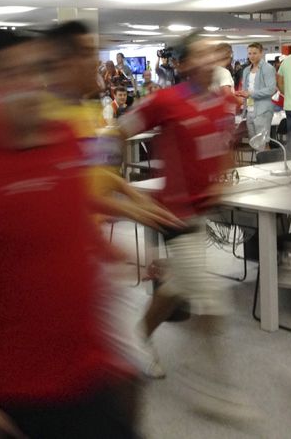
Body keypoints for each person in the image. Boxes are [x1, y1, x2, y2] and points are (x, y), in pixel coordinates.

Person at [0, 34, 140, 439]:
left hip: (87, 362)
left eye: (34, 70)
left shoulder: (62, 137)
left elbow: (75, 210)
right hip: (15, 388)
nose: (26, 83)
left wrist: (108, 249)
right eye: (13, 73)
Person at [119, 35, 251, 423]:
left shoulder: (221, 103)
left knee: (175, 288)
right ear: (183, 64)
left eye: (215, 52)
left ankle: (132, 340)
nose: (211, 58)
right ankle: (216, 391)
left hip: (200, 211)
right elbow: (119, 131)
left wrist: (222, 175)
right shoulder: (166, 101)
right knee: (212, 303)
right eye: (201, 52)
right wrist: (118, 186)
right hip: (174, 213)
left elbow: (222, 143)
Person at [238, 42, 278, 142]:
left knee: (263, 143)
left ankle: (266, 157)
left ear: (261, 53)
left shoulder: (268, 68)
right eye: (250, 53)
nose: (252, 56)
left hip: (262, 111)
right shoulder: (246, 70)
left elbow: (271, 89)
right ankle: (259, 158)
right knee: (254, 143)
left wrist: (251, 93)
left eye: (255, 53)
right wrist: (242, 94)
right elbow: (246, 90)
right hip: (249, 110)